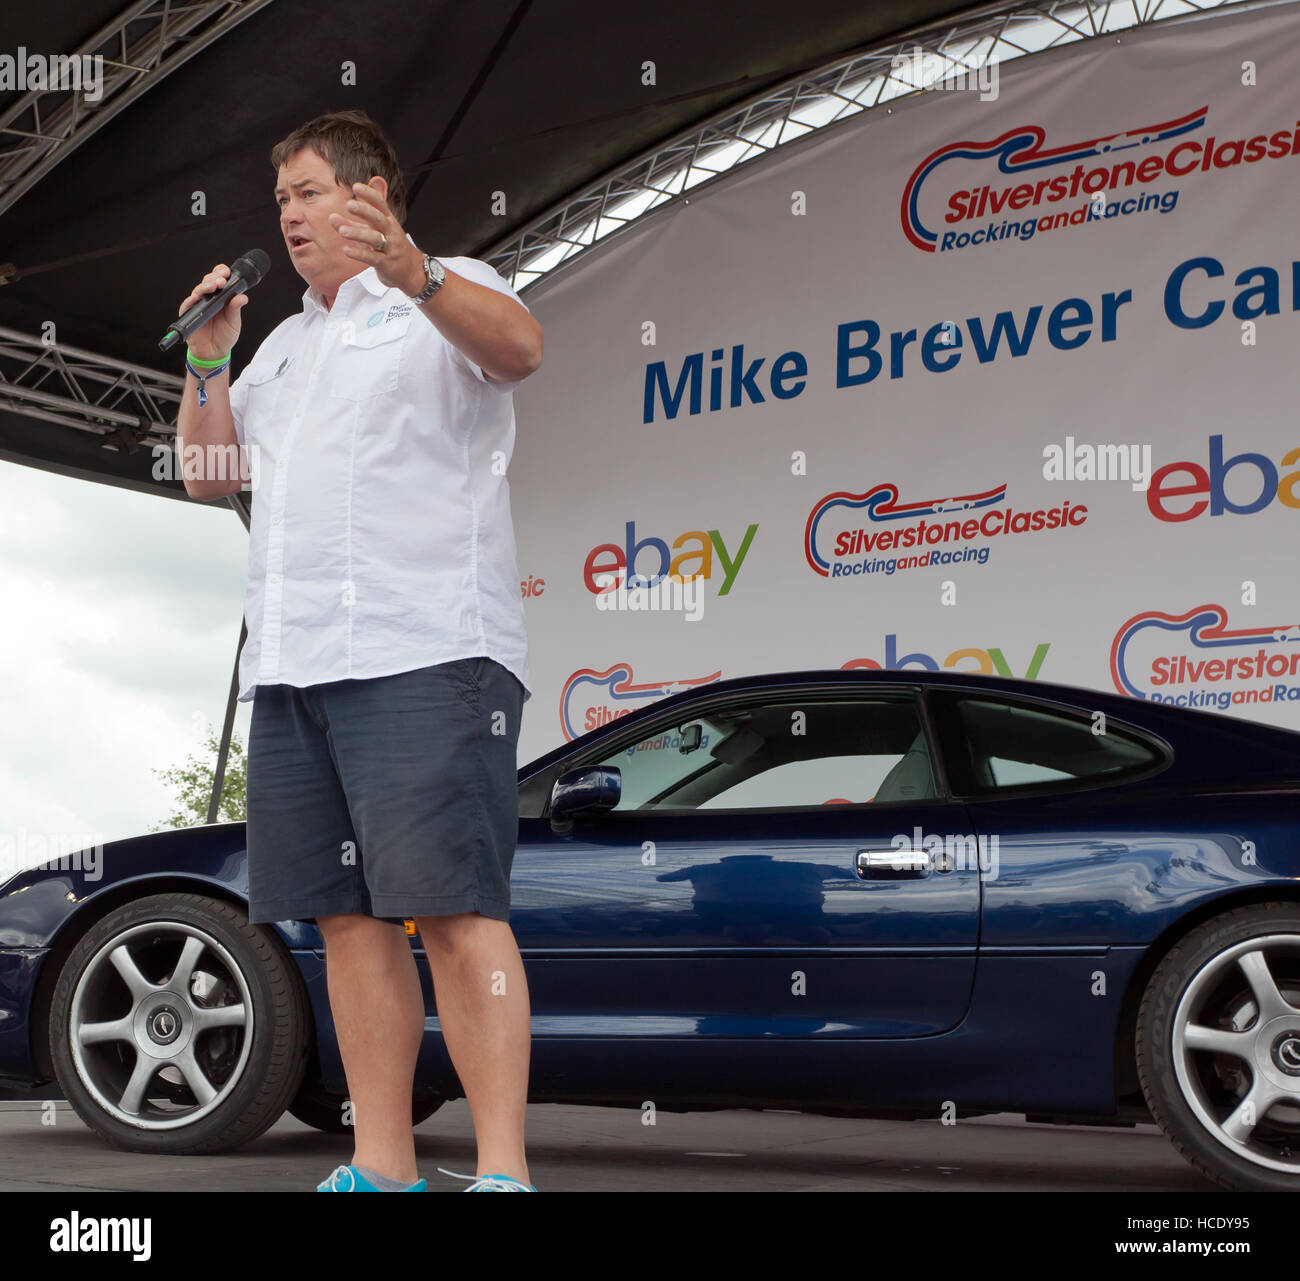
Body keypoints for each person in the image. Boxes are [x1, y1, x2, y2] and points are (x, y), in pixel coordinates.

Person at [174, 109, 542, 1192]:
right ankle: (382, 1170)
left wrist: (420, 273)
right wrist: (206, 361)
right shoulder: (280, 348)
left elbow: (521, 350)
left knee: (453, 911)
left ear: (370, 191)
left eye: (308, 191)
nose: (288, 215)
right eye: (279, 198)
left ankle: (503, 1174)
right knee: (345, 922)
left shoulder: (446, 288)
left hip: (427, 651)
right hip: (295, 666)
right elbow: (208, 475)